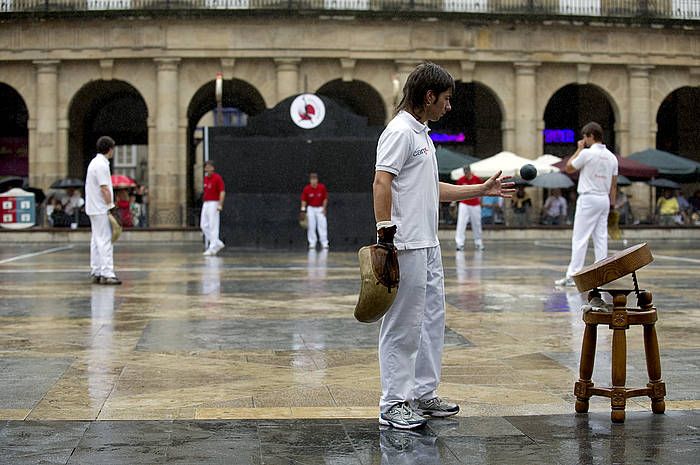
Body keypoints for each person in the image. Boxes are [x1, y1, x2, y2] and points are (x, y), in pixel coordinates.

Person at [373, 62, 514, 429]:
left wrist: (480, 190)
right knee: (402, 324)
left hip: (429, 243)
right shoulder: (400, 132)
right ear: (429, 96)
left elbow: (434, 190)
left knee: (431, 322)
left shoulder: (422, 134)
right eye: (446, 99)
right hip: (405, 244)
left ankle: (423, 392)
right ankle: (393, 403)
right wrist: (385, 237)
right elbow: (381, 182)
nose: (449, 107)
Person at [555, 122, 618, 287]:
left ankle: (573, 275)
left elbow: (569, 168)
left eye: (585, 136)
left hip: (588, 198)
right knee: (601, 237)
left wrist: (579, 149)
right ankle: (602, 274)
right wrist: (612, 206)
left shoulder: (587, 154)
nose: (584, 139)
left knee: (580, 238)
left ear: (590, 136)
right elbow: (613, 184)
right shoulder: (612, 157)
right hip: (604, 199)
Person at [85, 136, 121, 285]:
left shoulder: (94, 162)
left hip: (93, 206)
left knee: (96, 240)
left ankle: (97, 270)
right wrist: (111, 206)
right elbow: (105, 188)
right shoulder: (102, 165)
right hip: (100, 207)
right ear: (110, 149)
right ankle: (107, 273)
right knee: (105, 240)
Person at [454, 165, 484, 251]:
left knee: (477, 224)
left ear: (470, 171)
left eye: (467, 172)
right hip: (464, 203)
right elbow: (457, 192)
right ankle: (459, 243)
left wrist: (481, 202)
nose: (466, 173)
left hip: (475, 204)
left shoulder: (477, 179)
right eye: (465, 172)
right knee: (461, 223)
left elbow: (481, 190)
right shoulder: (461, 180)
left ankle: (478, 242)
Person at [200, 160, 226, 256]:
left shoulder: (217, 178)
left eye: (209, 167)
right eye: (206, 167)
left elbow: (222, 191)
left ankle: (212, 247)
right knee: (203, 225)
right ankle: (217, 243)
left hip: (214, 203)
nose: (207, 169)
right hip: (206, 203)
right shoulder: (206, 178)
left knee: (213, 225)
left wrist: (220, 204)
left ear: (213, 168)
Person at [300, 172, 329, 250]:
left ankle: (324, 243)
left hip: (320, 208)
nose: (313, 181)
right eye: (312, 179)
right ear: (310, 180)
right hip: (311, 209)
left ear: (317, 180)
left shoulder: (322, 187)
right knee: (311, 226)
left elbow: (325, 199)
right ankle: (312, 243)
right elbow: (304, 200)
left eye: (315, 179)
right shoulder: (307, 189)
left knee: (323, 225)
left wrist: (324, 208)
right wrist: (303, 210)